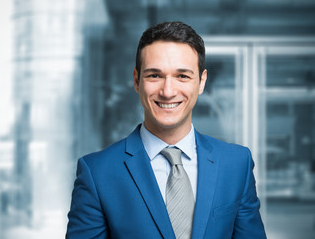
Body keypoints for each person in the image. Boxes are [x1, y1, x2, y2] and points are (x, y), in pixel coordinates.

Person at [66, 21, 266, 239]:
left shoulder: (236, 164)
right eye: (154, 75)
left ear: (201, 82)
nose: (168, 91)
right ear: (136, 80)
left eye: (182, 76)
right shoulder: (97, 172)